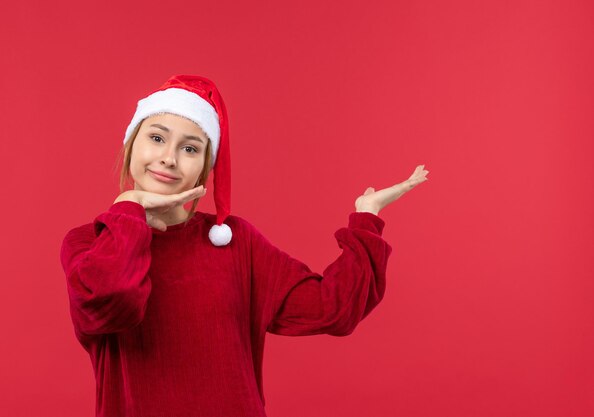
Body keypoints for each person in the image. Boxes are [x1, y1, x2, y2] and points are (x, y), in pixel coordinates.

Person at [59, 74, 429, 417]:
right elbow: (114, 299)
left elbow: (333, 308)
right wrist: (130, 208)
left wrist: (367, 218)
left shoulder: (235, 243)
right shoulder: (91, 242)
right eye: (156, 138)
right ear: (130, 144)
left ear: (206, 167)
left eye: (190, 149)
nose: (169, 158)